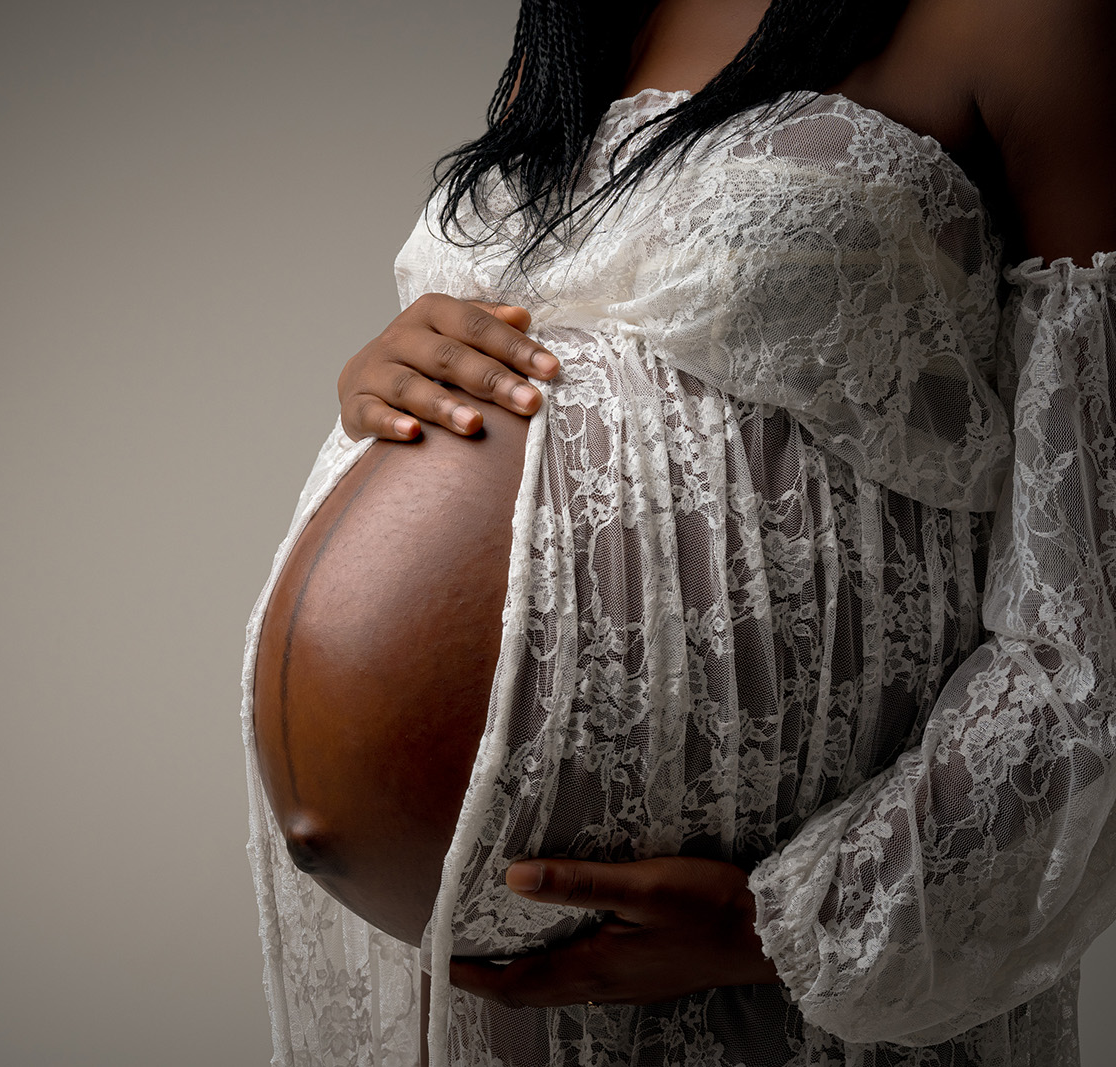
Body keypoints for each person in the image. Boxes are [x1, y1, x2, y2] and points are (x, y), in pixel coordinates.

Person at [240, 0, 1116, 1064]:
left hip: (803, 943)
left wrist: (798, 927)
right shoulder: (577, 26)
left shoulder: (1019, 20)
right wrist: (382, 367)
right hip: (506, 985)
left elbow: (1095, 594)